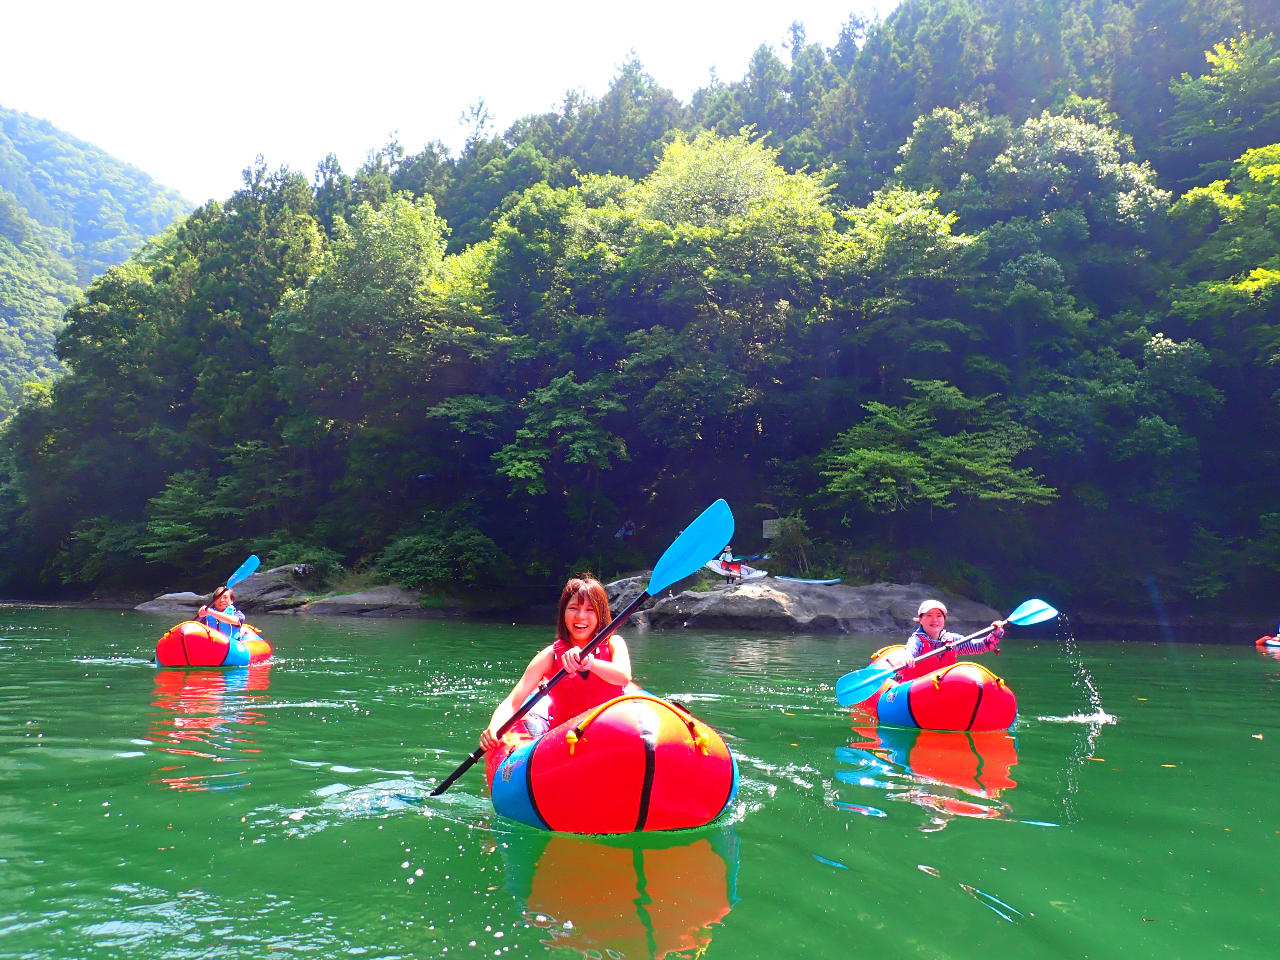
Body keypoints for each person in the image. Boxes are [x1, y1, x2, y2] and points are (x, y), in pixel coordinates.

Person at [479, 574, 634, 752]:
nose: (580, 616)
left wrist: (590, 663)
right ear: (563, 613)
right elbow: (514, 701)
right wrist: (495, 727)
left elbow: (623, 677)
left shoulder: (615, 644)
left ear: (601, 615)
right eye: (573, 608)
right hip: (565, 746)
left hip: (612, 738)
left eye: (590, 610)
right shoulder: (549, 657)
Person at [882, 599, 1005, 681]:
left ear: (944, 620)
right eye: (929, 616)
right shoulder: (917, 641)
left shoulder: (953, 640)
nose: (934, 620)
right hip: (914, 693)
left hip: (942, 690)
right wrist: (908, 656)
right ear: (920, 620)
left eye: (939, 616)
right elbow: (910, 649)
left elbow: (981, 646)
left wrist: (996, 633)